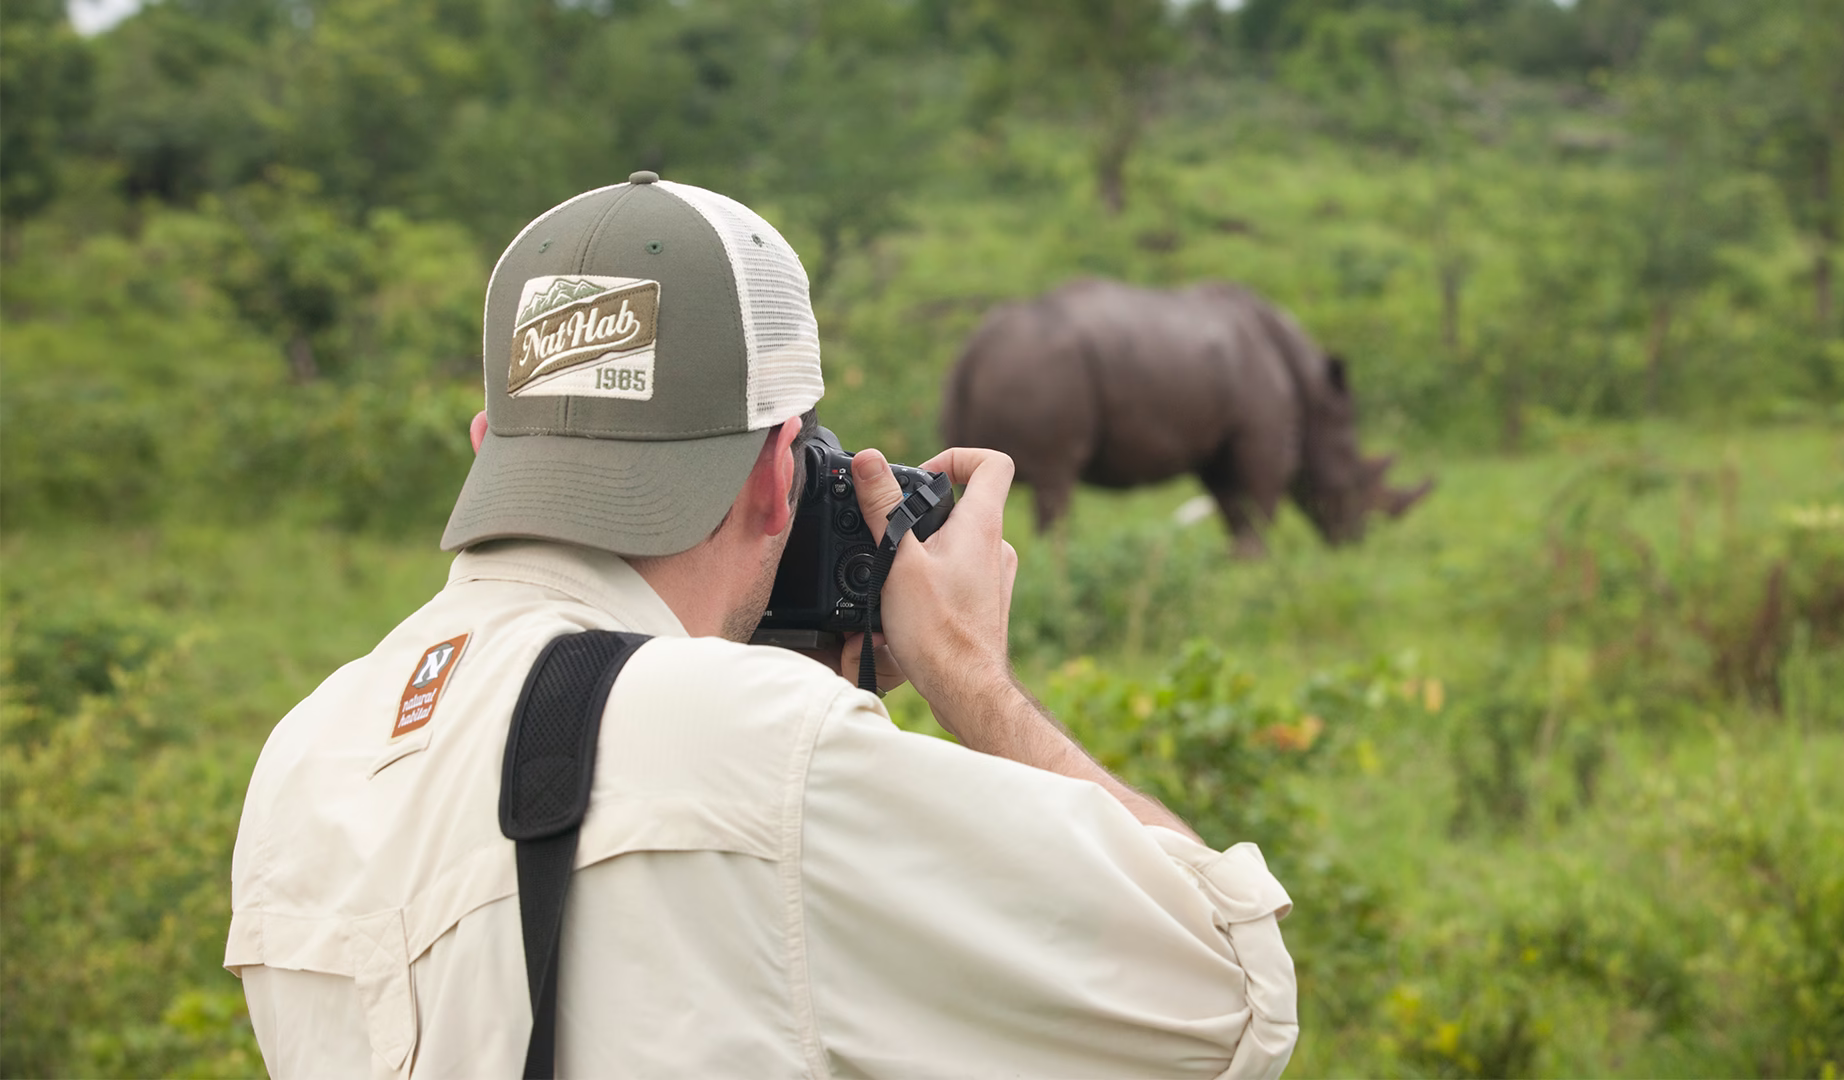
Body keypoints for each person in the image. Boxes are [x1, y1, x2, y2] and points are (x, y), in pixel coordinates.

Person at [225, 172, 1299, 1078]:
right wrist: (965, 668)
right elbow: (1229, 993)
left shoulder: (302, 756)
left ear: (488, 448)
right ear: (781, 474)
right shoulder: (761, 748)